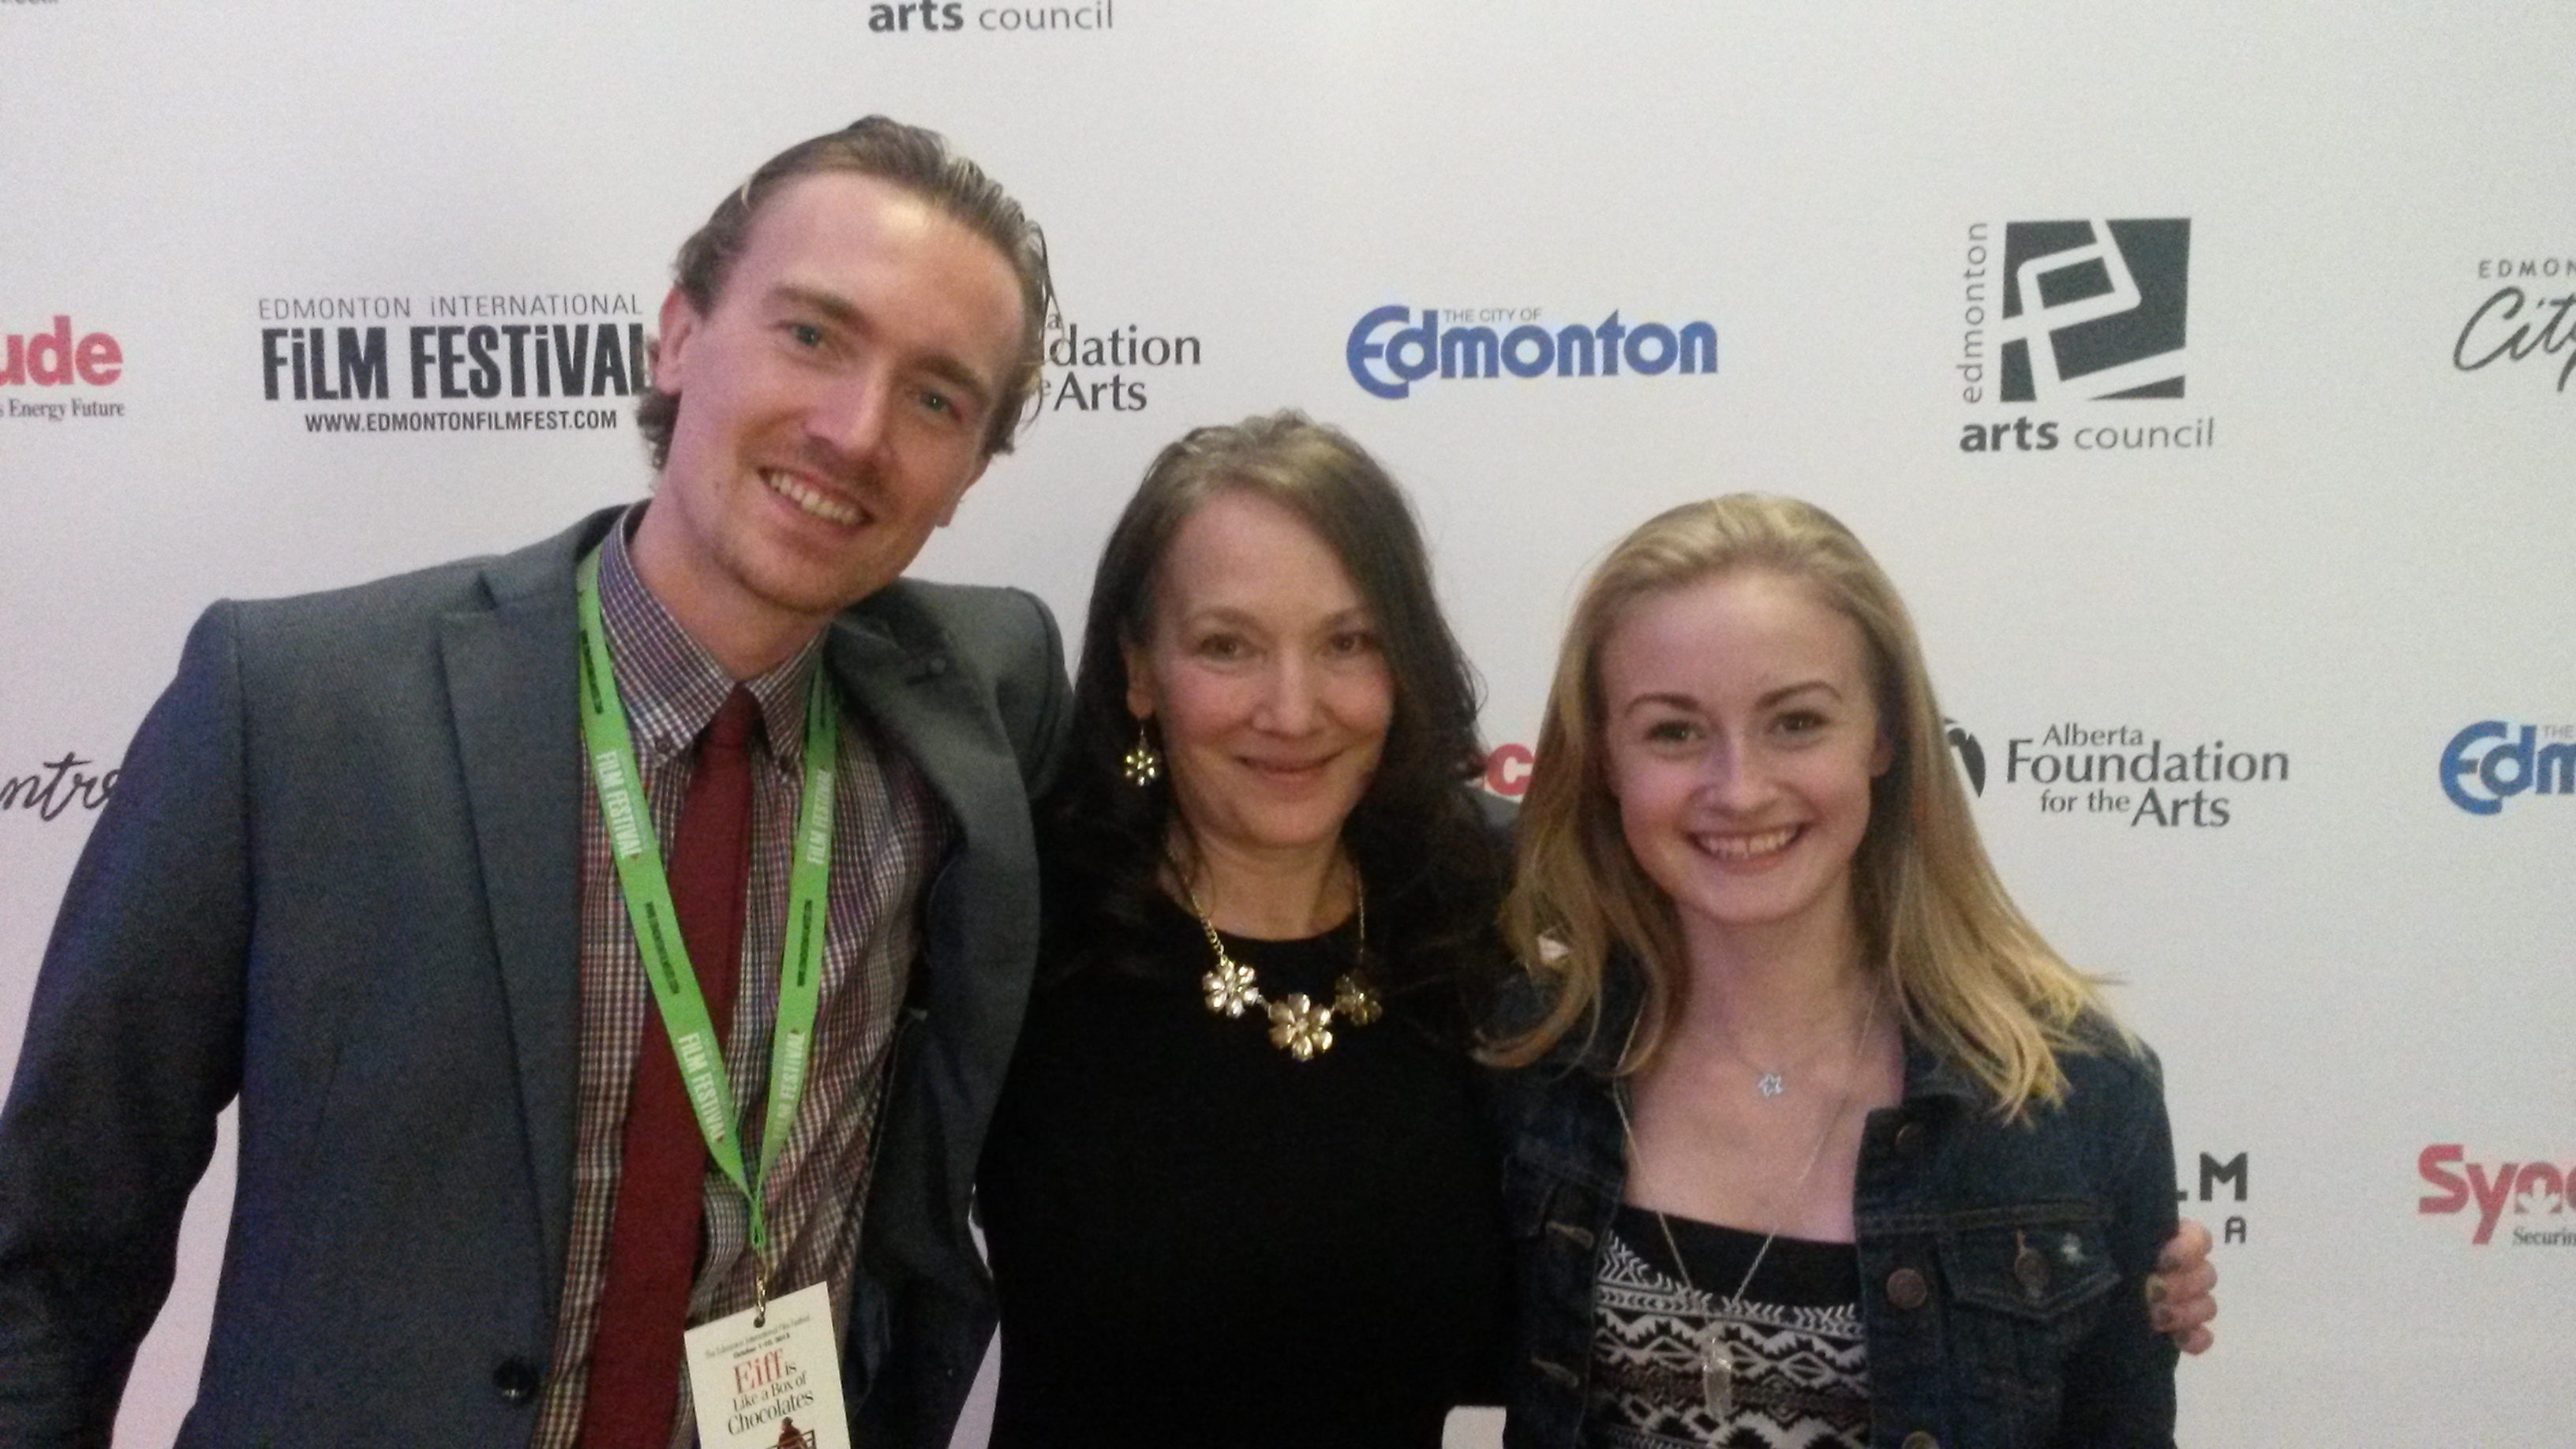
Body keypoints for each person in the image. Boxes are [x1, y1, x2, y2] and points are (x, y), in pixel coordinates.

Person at [0, 117, 1064, 1449]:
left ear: (970, 470)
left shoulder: (982, 697)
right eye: (811, 335)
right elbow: (53, 1248)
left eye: (934, 398)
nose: (854, 430)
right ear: (678, 335)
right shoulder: (291, 709)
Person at [1493, 495, 2189, 1447]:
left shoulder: (2079, 1095)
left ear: (1885, 736)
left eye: (1796, 722)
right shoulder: (1530, 1063)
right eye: (1673, 732)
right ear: (1605, 758)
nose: (1738, 788)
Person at [977, 412, 1517, 1447]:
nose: (1293, 708)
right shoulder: (1013, 925)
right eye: (1228, 646)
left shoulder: (1483, 917)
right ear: (1140, 672)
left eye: (1347, 643)